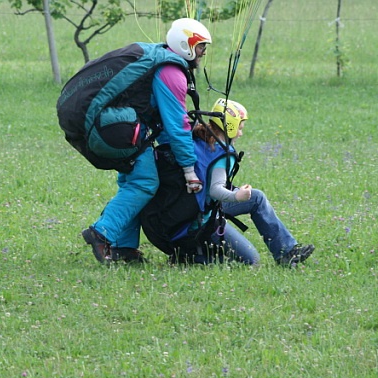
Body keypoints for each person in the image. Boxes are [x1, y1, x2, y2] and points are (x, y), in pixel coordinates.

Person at [81, 18, 212, 263]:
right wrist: (189, 169)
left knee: (133, 183)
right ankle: (101, 233)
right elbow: (177, 124)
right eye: (201, 46)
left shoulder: (160, 59)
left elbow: (160, 118)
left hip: (109, 125)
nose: (203, 52)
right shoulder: (172, 72)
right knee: (144, 183)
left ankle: (124, 248)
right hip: (115, 129)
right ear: (186, 45)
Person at [175, 98, 315, 266]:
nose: (241, 133)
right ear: (230, 126)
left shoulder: (201, 138)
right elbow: (215, 190)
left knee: (256, 198)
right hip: (203, 221)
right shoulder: (223, 154)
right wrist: (237, 196)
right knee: (251, 260)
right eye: (240, 128)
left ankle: (287, 252)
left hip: (191, 210)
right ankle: (190, 256)